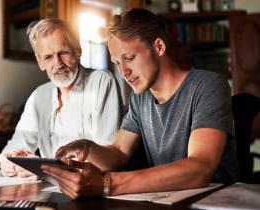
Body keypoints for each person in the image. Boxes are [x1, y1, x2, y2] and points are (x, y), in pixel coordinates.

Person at [41, 8, 239, 199]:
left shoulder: (209, 86)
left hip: (213, 201)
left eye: (129, 58)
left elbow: (200, 167)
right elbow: (118, 152)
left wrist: (107, 183)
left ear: (159, 47)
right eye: (117, 62)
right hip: (166, 201)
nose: (124, 72)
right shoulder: (139, 98)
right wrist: (86, 147)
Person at [0, 19, 122, 178]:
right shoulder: (39, 95)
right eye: (48, 57)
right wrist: (10, 161)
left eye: (63, 53)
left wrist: (42, 168)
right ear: (39, 61)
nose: (58, 63)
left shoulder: (101, 81)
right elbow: (16, 145)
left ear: (78, 50)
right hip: (51, 189)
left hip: (93, 189)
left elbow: (107, 160)